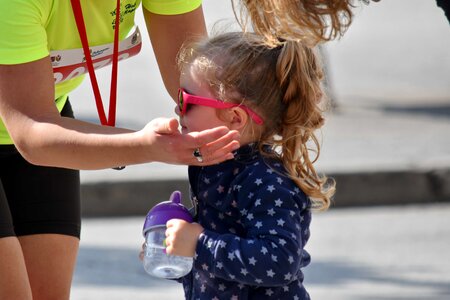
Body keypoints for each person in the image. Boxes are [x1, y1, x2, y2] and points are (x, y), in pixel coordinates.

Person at [0, 1, 241, 300]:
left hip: (46, 120)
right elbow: (32, 131)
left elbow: (200, 87)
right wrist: (146, 146)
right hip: (36, 127)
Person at [162, 31, 336, 299]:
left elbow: (280, 261)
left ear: (234, 117)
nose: (177, 109)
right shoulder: (214, 166)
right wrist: (178, 255)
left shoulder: (268, 180)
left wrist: (198, 243)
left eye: (187, 100)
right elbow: (224, 267)